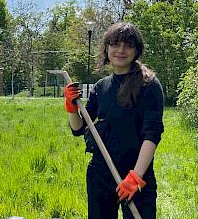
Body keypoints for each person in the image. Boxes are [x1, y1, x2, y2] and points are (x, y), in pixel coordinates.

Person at [64, 22, 164, 219]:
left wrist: (136, 177)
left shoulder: (149, 85)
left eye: (128, 45)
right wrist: (71, 107)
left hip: (136, 175)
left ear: (136, 51)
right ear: (107, 48)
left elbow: (152, 133)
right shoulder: (101, 87)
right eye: (115, 44)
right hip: (100, 174)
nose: (121, 50)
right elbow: (79, 129)